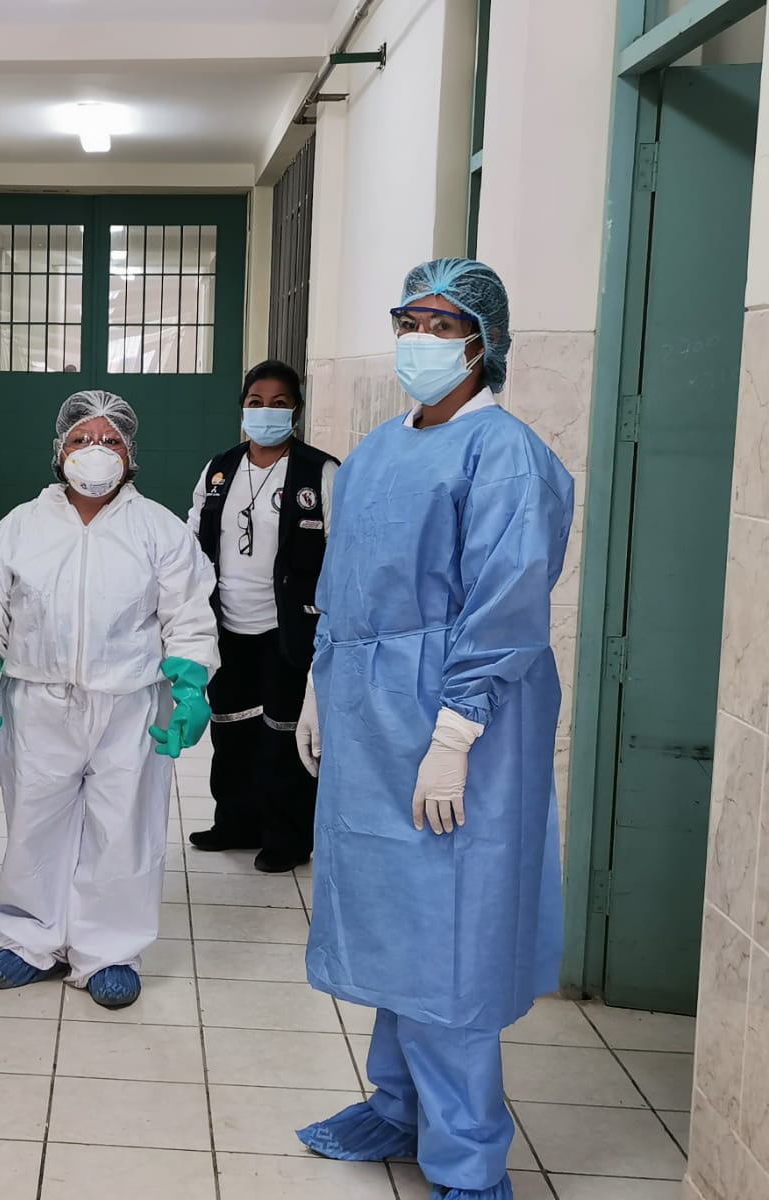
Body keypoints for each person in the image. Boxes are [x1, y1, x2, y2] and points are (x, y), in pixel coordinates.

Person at [293, 259, 573, 1200]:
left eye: (443, 324)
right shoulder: (378, 450)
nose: (420, 338)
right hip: (370, 711)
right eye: (410, 320)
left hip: (462, 716)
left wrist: (455, 734)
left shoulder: (506, 454)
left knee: (449, 931)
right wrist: (321, 684)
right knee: (392, 917)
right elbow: (344, 583)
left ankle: (469, 1159)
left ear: (482, 344)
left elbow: (507, 607)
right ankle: (398, 1105)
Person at [0, 391, 218, 1009]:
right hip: (37, 697)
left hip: (130, 702)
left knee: (123, 826)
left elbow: (188, 614)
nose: (95, 451)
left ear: (130, 454)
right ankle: (27, 940)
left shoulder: (158, 529)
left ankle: (110, 949)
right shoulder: (22, 526)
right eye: (80, 440)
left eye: (109, 440)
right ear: (59, 451)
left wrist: (190, 687)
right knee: (34, 820)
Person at [185, 359, 337, 873]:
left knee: (283, 735)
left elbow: (342, 553)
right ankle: (235, 822)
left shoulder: (321, 472)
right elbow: (193, 540)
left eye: (279, 403)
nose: (266, 411)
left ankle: (287, 837)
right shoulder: (219, 468)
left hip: (289, 630)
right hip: (227, 626)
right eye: (256, 402)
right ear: (242, 408)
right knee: (231, 730)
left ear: (297, 410)